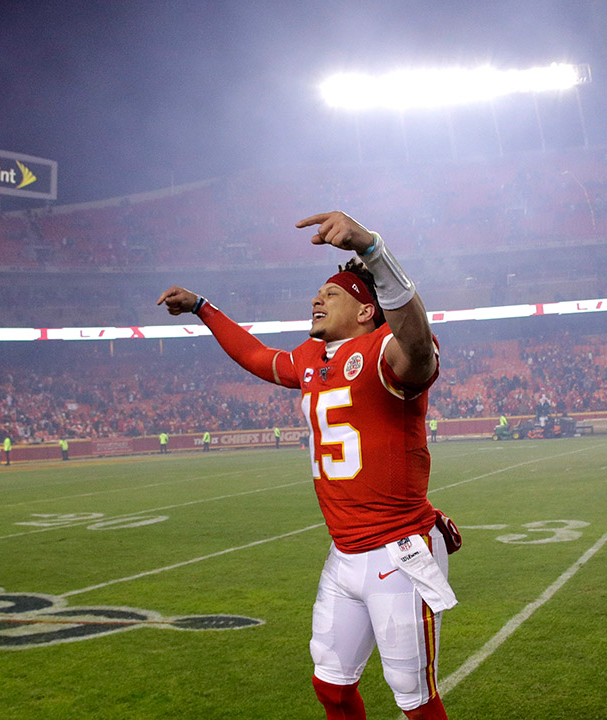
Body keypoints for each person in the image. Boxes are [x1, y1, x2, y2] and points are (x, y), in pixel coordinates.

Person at [158, 211, 457, 720]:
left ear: (366, 311)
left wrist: (372, 250)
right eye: (318, 292)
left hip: (397, 548)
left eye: (332, 294)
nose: (317, 299)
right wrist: (204, 309)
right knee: (331, 686)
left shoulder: (386, 348)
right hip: (344, 553)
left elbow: (416, 345)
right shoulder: (312, 359)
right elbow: (256, 356)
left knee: (414, 696)